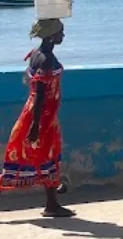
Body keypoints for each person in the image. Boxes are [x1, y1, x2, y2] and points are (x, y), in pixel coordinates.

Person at [0, 18, 74, 217]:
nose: (63, 36)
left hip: (38, 113)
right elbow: (40, 93)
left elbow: (30, 82)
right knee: (47, 155)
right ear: (51, 36)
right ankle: (51, 205)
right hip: (42, 117)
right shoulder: (47, 59)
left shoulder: (35, 55)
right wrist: (35, 125)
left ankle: (52, 204)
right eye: (60, 32)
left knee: (44, 157)